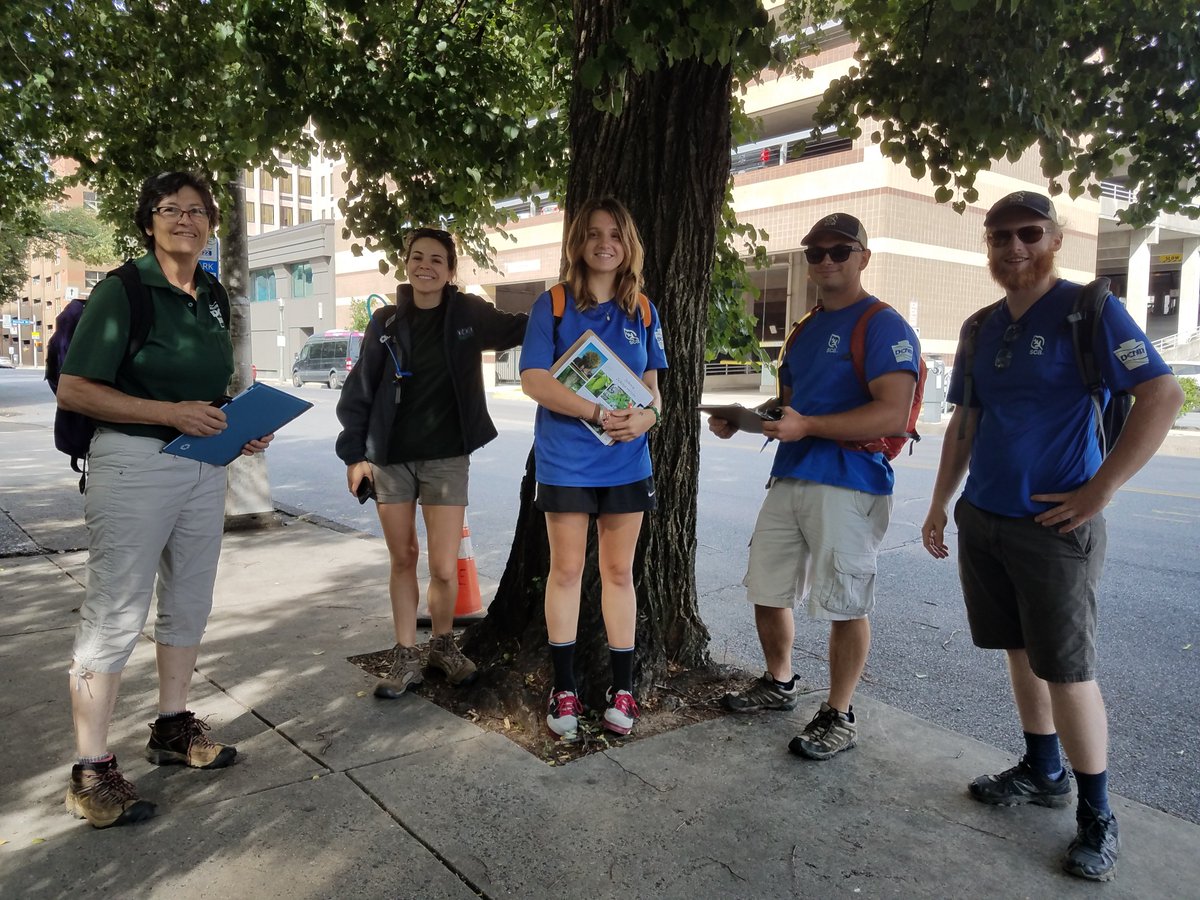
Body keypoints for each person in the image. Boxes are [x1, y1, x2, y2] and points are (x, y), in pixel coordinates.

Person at [921, 191, 1183, 881]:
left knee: (1067, 670)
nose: (1014, 249)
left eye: (1029, 234)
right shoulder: (980, 327)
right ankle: (1043, 768)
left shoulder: (1088, 311)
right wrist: (941, 502)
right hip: (986, 516)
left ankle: (1096, 813)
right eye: (1001, 237)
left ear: (1055, 238)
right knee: (1018, 651)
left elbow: (1162, 394)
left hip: (1056, 526)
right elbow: (966, 423)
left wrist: (1101, 490)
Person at [56, 171, 273, 828]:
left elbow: (209, 387)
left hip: (201, 463)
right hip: (132, 462)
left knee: (188, 602)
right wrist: (169, 412)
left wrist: (236, 423)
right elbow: (76, 389)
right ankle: (91, 770)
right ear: (148, 221)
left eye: (198, 210)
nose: (187, 219)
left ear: (212, 223)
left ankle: (173, 731)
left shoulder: (210, 293)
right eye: (171, 210)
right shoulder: (123, 290)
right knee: (116, 611)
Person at [712, 213, 920, 761]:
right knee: (766, 586)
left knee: (844, 603)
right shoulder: (804, 329)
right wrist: (747, 418)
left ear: (863, 257)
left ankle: (839, 713)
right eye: (816, 252)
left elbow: (893, 414)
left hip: (850, 481)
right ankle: (779, 684)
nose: (826, 260)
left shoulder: (882, 324)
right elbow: (792, 408)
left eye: (839, 250)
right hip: (791, 474)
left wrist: (807, 427)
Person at [336, 227, 527, 699]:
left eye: (436, 259)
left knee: (444, 566)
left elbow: (520, 327)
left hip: (446, 458)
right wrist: (354, 455)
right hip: (389, 459)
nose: (425, 266)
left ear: (450, 269)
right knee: (403, 558)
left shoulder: (467, 313)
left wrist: (567, 300)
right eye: (417, 257)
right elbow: (359, 392)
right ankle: (405, 655)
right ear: (406, 263)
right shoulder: (383, 323)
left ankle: (443, 646)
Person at [519, 197, 667, 740]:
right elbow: (534, 379)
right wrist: (598, 413)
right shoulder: (553, 304)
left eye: (616, 235)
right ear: (578, 243)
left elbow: (655, 394)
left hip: (628, 463)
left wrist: (645, 419)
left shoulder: (644, 310)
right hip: (565, 464)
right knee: (565, 572)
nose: (605, 243)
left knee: (619, 574)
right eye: (594, 234)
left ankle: (621, 690)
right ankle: (564, 688)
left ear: (629, 245)